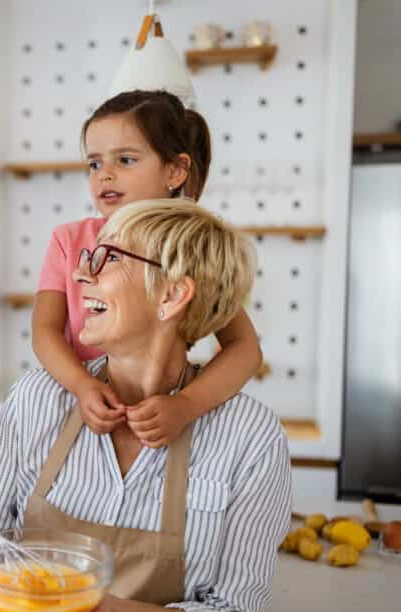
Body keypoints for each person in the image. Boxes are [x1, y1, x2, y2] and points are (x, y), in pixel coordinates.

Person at [0, 200, 292, 612]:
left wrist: (113, 611)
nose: (80, 276)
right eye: (87, 258)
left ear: (172, 296)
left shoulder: (249, 436)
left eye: (110, 259)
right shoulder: (40, 399)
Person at [33, 90, 262, 448]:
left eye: (124, 160)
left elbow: (245, 349)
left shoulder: (187, 251)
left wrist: (186, 405)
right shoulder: (69, 240)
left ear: (175, 170)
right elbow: (44, 330)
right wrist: (84, 385)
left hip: (157, 423)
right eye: (94, 164)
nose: (104, 175)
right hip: (84, 415)